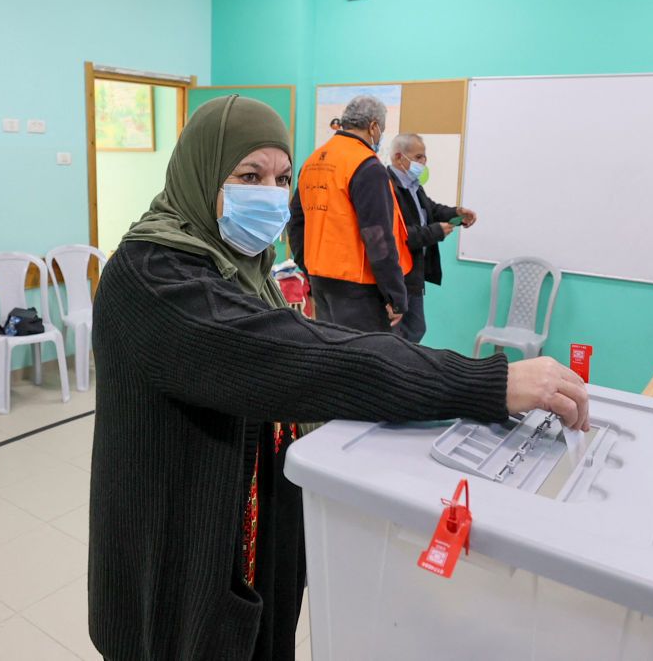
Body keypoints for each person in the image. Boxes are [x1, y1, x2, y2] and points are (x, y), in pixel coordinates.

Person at [89, 95, 590, 661]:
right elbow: (299, 356)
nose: (272, 196)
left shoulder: (238, 265)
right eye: (249, 175)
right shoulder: (154, 276)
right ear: (198, 172)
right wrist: (485, 383)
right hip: (177, 574)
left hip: (249, 547)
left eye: (281, 179)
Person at [288, 95, 413, 333]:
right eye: (382, 129)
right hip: (358, 291)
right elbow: (378, 237)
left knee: (335, 356)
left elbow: (296, 222)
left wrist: (308, 267)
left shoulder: (312, 162)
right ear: (373, 127)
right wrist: (395, 295)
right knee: (366, 361)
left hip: (321, 283)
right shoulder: (367, 166)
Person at [388, 133, 478, 343]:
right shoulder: (387, 187)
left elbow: (430, 210)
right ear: (399, 157)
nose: (423, 163)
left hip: (415, 274)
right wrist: (435, 232)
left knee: (416, 329)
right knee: (396, 336)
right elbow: (399, 235)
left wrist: (457, 214)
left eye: (424, 157)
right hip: (398, 273)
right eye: (418, 157)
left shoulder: (414, 185)